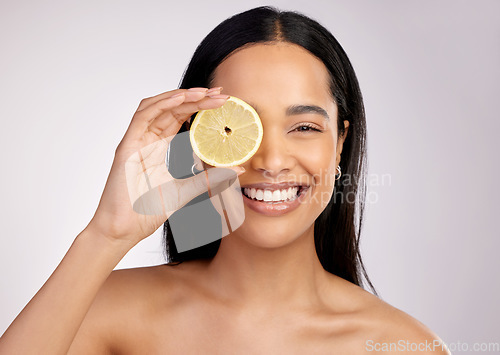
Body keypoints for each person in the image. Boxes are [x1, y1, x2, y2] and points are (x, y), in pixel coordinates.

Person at [0, 6, 449, 354]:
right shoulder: (108, 313)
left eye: (305, 127)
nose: (271, 161)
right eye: (239, 127)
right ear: (195, 138)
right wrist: (106, 234)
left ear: (340, 144)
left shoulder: (403, 345)